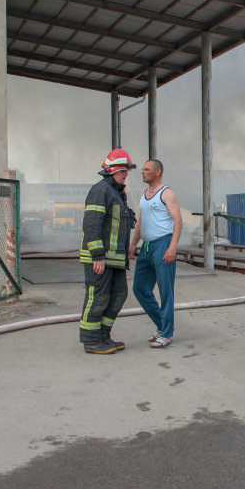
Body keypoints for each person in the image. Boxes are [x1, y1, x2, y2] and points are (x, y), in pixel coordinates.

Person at [78, 148, 137, 354]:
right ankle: (91, 340)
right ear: (110, 170)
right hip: (101, 259)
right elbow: (92, 224)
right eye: (122, 169)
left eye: (127, 169)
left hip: (116, 259)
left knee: (119, 295)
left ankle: (103, 335)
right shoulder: (101, 190)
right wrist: (97, 256)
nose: (126, 173)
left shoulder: (117, 193)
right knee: (98, 297)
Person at [129, 159, 183, 348]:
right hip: (146, 246)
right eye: (142, 169)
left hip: (163, 245)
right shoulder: (144, 195)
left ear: (158, 172)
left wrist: (172, 246)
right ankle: (162, 324)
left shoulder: (166, 194)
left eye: (146, 169)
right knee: (140, 288)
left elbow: (178, 221)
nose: (142, 172)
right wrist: (133, 243)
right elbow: (141, 222)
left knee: (165, 290)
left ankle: (166, 334)